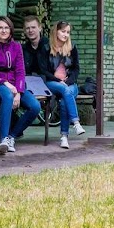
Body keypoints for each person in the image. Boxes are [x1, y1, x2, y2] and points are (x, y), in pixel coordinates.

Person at [0, 15, 41, 155]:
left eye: (6, 27)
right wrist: (5, 83)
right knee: (7, 95)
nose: (3, 31)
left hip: (15, 85)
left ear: (10, 30)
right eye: (0, 28)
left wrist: (19, 92)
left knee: (35, 106)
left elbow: (20, 71)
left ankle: (11, 137)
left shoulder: (16, 46)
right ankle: (3, 139)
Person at [46, 21, 85, 149]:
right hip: (52, 82)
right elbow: (44, 70)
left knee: (64, 100)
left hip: (69, 83)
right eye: (63, 31)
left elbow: (76, 69)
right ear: (55, 31)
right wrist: (58, 81)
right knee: (65, 90)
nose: (66, 34)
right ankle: (76, 122)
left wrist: (67, 82)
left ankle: (64, 137)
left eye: (68, 32)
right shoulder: (47, 48)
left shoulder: (72, 48)